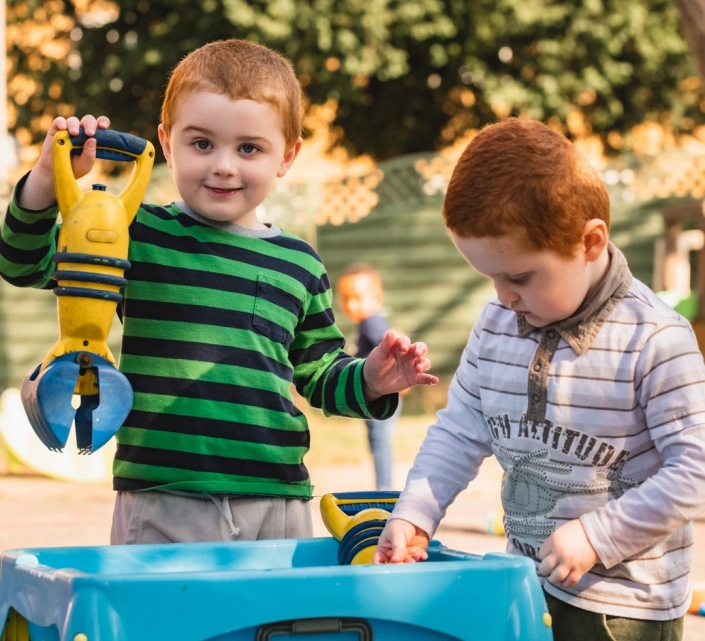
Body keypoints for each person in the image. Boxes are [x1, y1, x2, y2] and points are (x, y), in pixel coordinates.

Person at [0, 38, 438, 546]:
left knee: (270, 627)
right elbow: (22, 263)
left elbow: (319, 374)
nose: (223, 165)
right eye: (202, 144)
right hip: (160, 497)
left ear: (287, 156)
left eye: (248, 148)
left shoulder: (299, 262)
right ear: (166, 144)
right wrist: (43, 184)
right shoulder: (135, 231)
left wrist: (373, 380)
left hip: (276, 501)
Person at [373, 117, 705, 641]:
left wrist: (599, 536)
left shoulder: (656, 340)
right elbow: (460, 431)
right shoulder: (497, 323)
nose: (504, 296)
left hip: (622, 610)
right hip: (528, 585)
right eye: (490, 278)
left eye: (520, 277)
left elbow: (696, 471)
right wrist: (415, 514)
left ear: (590, 242)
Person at [336, 263, 403, 490]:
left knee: (380, 442)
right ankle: (384, 487)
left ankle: (384, 490)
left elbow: (392, 343)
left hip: (380, 394)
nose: (352, 304)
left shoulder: (372, 323)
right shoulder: (368, 323)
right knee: (379, 441)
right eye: (346, 298)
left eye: (358, 297)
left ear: (377, 297)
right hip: (380, 394)